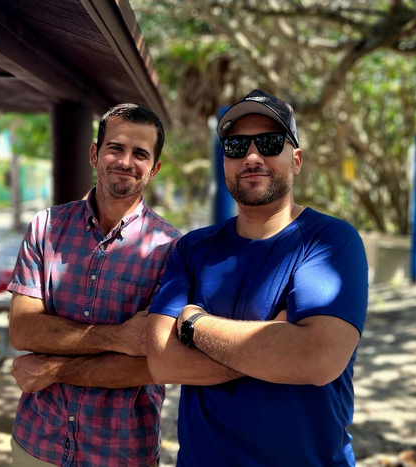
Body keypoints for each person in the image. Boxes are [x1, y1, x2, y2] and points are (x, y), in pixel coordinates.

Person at [146, 89, 369, 466]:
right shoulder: (192, 249)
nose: (252, 156)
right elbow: (162, 361)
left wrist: (194, 325)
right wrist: (273, 342)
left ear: (295, 160)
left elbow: (317, 357)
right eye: (235, 146)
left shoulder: (330, 241)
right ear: (224, 163)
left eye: (268, 143)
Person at [6, 103, 179, 467]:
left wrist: (54, 367)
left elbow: (155, 364)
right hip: (37, 443)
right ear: (94, 154)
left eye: (140, 154)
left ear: (155, 168)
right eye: (115, 147)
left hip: (121, 451)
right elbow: (23, 330)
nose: (125, 161)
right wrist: (118, 338)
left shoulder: (173, 248)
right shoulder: (46, 227)